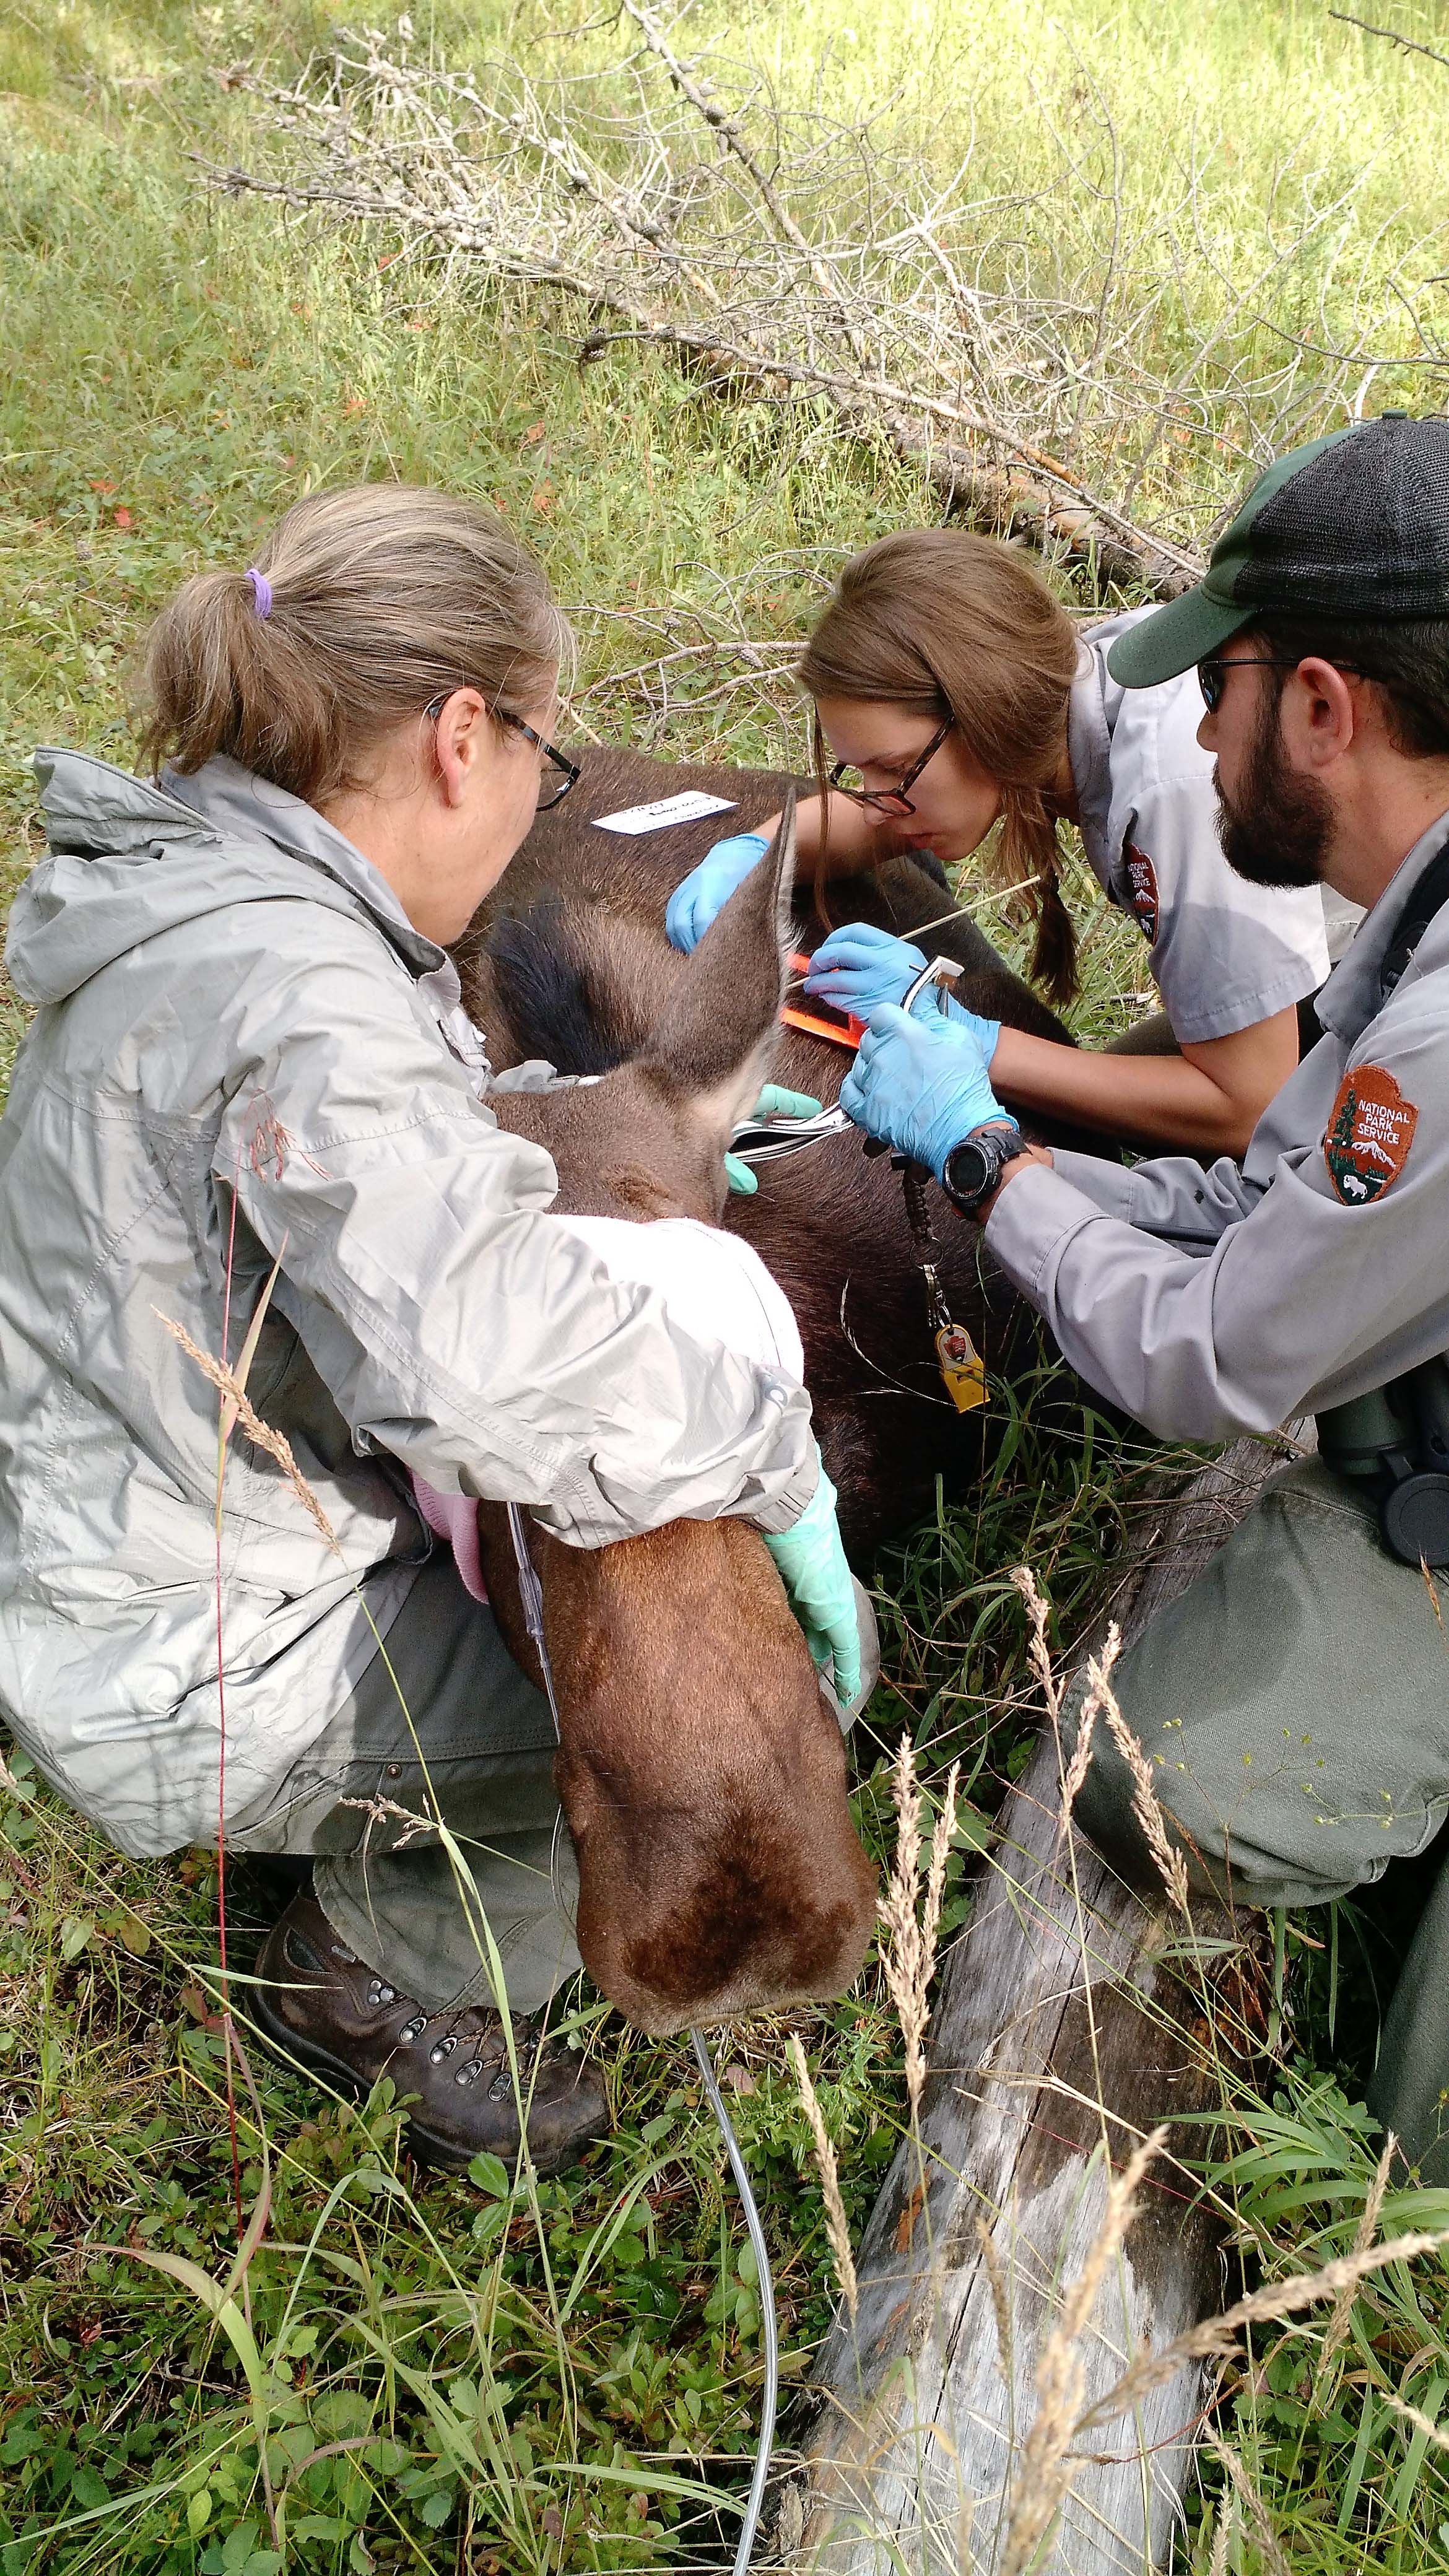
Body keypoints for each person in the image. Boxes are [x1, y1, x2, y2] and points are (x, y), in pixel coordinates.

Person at [0, 484, 863, 2174]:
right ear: (464, 735)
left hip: (135, 1517)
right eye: (552, 762)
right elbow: (485, 1364)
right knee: (697, 1730)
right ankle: (361, 1963)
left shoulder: (225, 909)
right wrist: (770, 1456)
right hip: (176, 1645)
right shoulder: (305, 1002)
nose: (549, 794)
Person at [835, 409, 1449, 2177]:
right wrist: (1043, 1168)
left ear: (1323, 707)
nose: (1188, 729)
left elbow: (1206, 1361)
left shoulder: (1432, 1030)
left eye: (1223, 689)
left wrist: (987, 1161)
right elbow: (1276, 1194)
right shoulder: (1409, 920)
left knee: (1396, 2167)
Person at [666, 527, 1333, 1156]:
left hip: (1371, 1008)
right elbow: (867, 817)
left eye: (895, 770)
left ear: (989, 713)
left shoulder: (1174, 789)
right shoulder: (1065, 698)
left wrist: (977, 1040)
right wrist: (756, 855)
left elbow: (1251, 1106)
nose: (874, 802)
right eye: (860, 771)